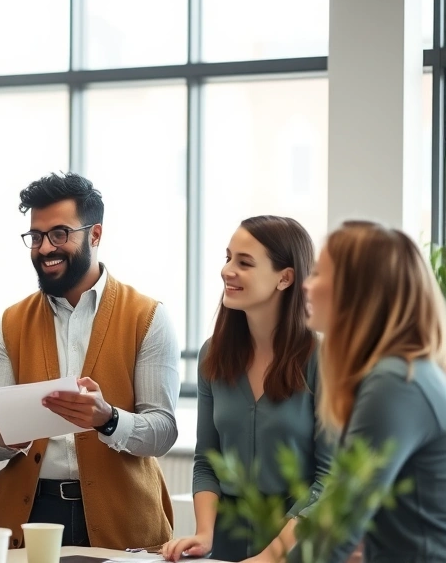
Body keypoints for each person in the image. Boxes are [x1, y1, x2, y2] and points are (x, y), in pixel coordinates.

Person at [0, 172, 181, 550]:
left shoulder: (148, 317)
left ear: (95, 235)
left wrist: (109, 420)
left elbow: (164, 430)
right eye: (36, 237)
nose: (44, 248)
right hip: (29, 518)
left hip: (123, 519)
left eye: (59, 234)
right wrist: (4, 435)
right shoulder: (11, 322)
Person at [160, 216, 332, 562]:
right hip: (228, 543)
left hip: (298, 543)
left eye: (245, 262)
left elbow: (329, 479)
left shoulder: (323, 359)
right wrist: (204, 534)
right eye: (228, 258)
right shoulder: (213, 354)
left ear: (285, 278)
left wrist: (270, 557)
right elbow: (208, 461)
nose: (228, 271)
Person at [279, 221, 446, 563]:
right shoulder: (399, 372)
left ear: (357, 289)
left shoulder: (396, 381)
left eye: (319, 274)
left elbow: (340, 523)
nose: (307, 286)